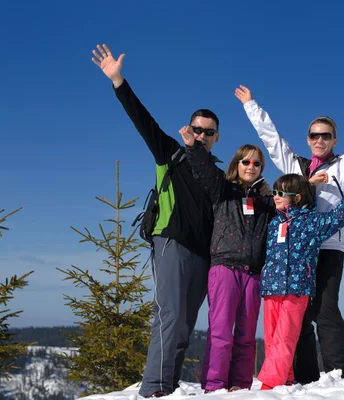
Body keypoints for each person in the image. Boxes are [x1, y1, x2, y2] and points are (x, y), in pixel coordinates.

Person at [234, 79, 344, 383]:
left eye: (326, 135)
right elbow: (272, 141)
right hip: (298, 251)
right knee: (299, 316)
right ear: (308, 139)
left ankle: (341, 375)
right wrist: (252, 106)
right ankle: (304, 377)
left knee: (325, 309)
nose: (320, 139)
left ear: (333, 139)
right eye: (315, 135)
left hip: (328, 246)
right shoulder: (297, 168)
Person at [92, 44, 218, 398]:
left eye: (208, 132)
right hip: (172, 243)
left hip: (203, 255)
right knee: (170, 317)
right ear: (189, 129)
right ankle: (154, 391)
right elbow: (142, 119)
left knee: (185, 326)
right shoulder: (171, 153)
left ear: (216, 137)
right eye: (197, 128)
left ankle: (169, 386)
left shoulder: (215, 173)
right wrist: (118, 81)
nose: (202, 135)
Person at [179, 127, 276, 393]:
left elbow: (290, 203)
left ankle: (241, 387)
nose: (251, 166)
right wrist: (193, 147)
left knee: (245, 337)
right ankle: (214, 387)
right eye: (246, 161)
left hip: (253, 273)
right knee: (221, 333)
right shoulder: (223, 189)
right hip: (224, 268)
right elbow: (204, 171)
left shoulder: (266, 201)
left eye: (257, 163)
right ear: (237, 164)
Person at [258, 171, 344, 390]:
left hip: (296, 290)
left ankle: (270, 384)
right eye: (275, 192)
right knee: (271, 338)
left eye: (282, 193)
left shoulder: (312, 222)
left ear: (297, 197)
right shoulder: (273, 223)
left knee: (285, 337)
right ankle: (286, 378)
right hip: (271, 288)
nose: (276, 196)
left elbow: (338, 217)